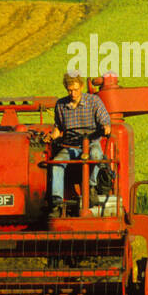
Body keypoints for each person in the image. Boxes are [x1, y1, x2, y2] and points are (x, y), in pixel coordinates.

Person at [48, 71, 111, 212]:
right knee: (57, 163)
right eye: (70, 90)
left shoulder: (93, 102)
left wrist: (106, 127)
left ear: (81, 87)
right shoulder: (61, 105)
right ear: (66, 88)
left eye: (75, 90)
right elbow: (58, 127)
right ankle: (56, 200)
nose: (73, 93)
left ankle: (91, 187)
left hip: (91, 142)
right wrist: (52, 135)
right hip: (70, 146)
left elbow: (104, 119)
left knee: (96, 156)